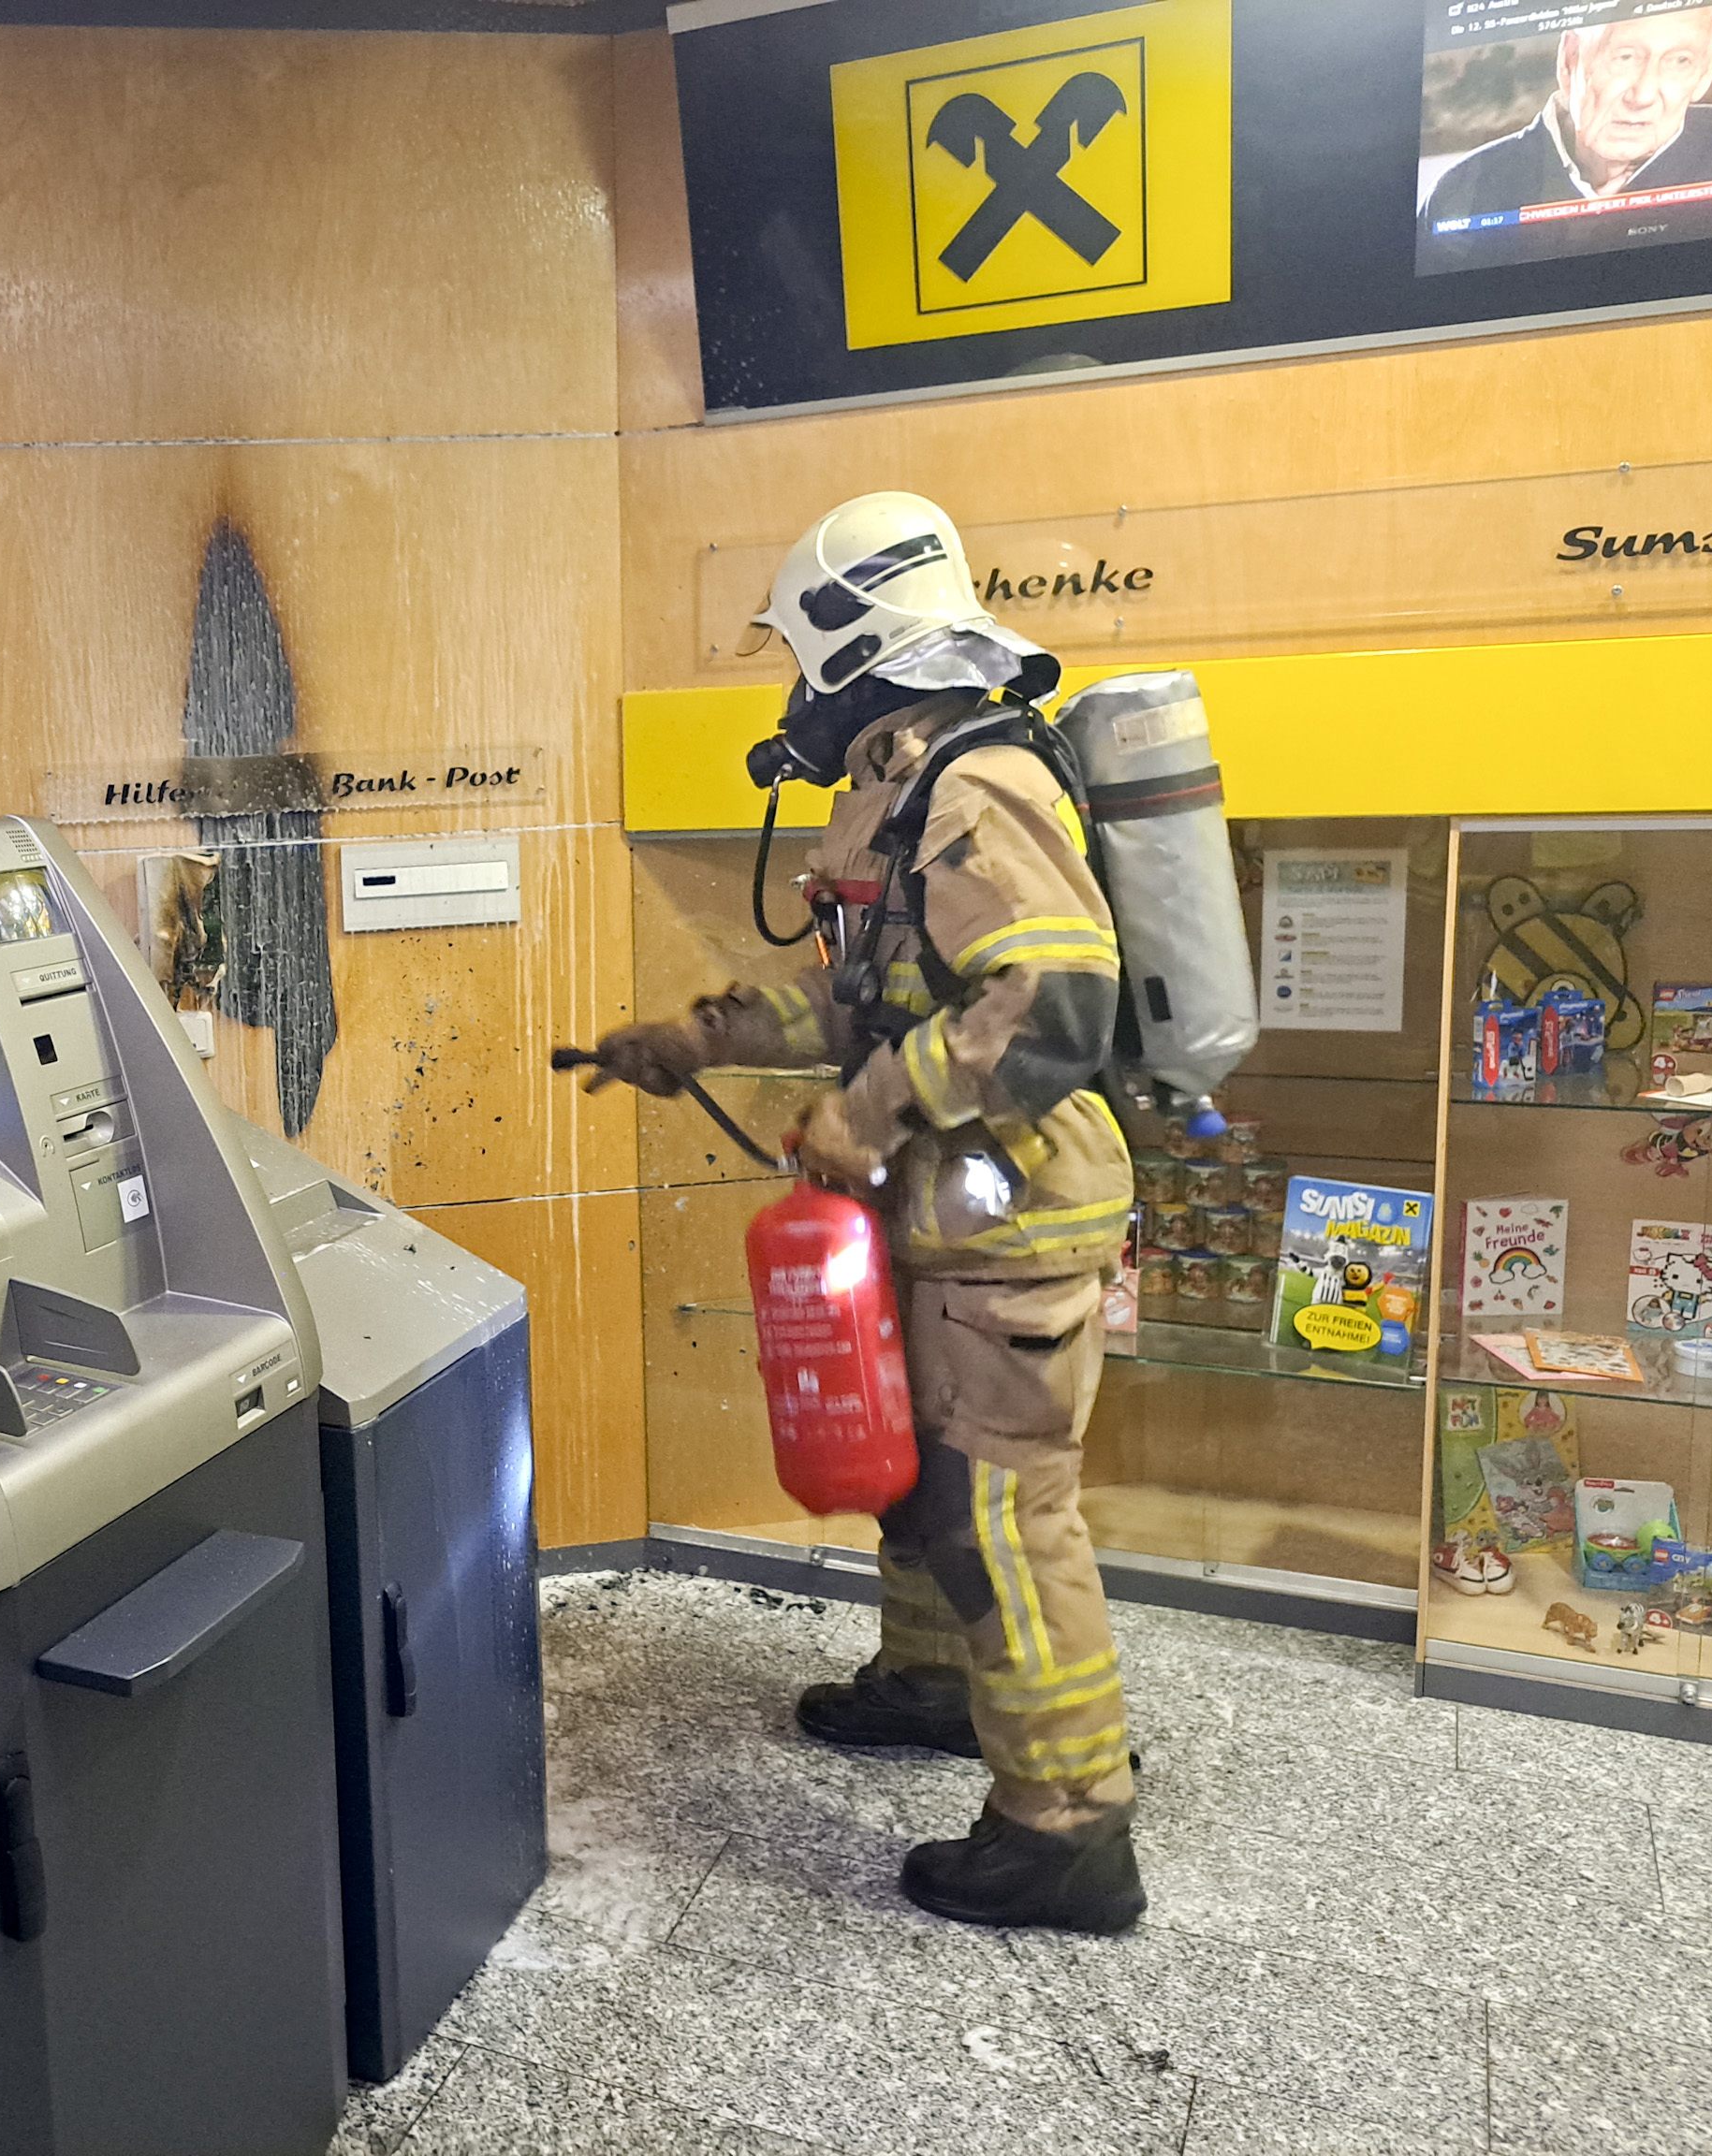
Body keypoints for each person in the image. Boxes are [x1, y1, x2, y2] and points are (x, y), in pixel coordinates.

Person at [582, 492, 1143, 1935]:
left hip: (1007, 1215)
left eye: (797, 655)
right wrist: (700, 1034)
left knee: (1003, 1517)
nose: (792, 692)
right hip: (944, 1216)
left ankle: (1067, 1829)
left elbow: (1053, 1007)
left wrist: (864, 1113)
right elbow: (868, 991)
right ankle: (936, 1684)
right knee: (925, 1484)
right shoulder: (911, 786)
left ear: (855, 642)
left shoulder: (979, 787)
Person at [1427, 10, 1712, 225]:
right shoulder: (1465, 188)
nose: (1643, 96)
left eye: (1679, 61)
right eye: (1625, 57)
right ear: (1570, 58)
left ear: (1708, 70)